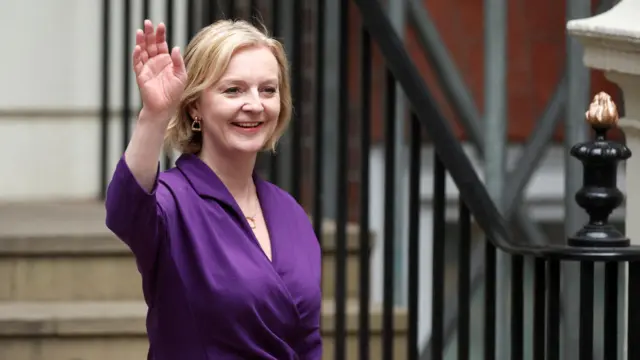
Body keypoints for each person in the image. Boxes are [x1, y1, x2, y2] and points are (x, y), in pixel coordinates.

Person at [104, 18, 322, 359]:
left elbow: (308, 341)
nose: (254, 104)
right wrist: (155, 114)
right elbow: (125, 208)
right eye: (233, 90)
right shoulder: (172, 202)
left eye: (268, 89)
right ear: (195, 106)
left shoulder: (289, 212)